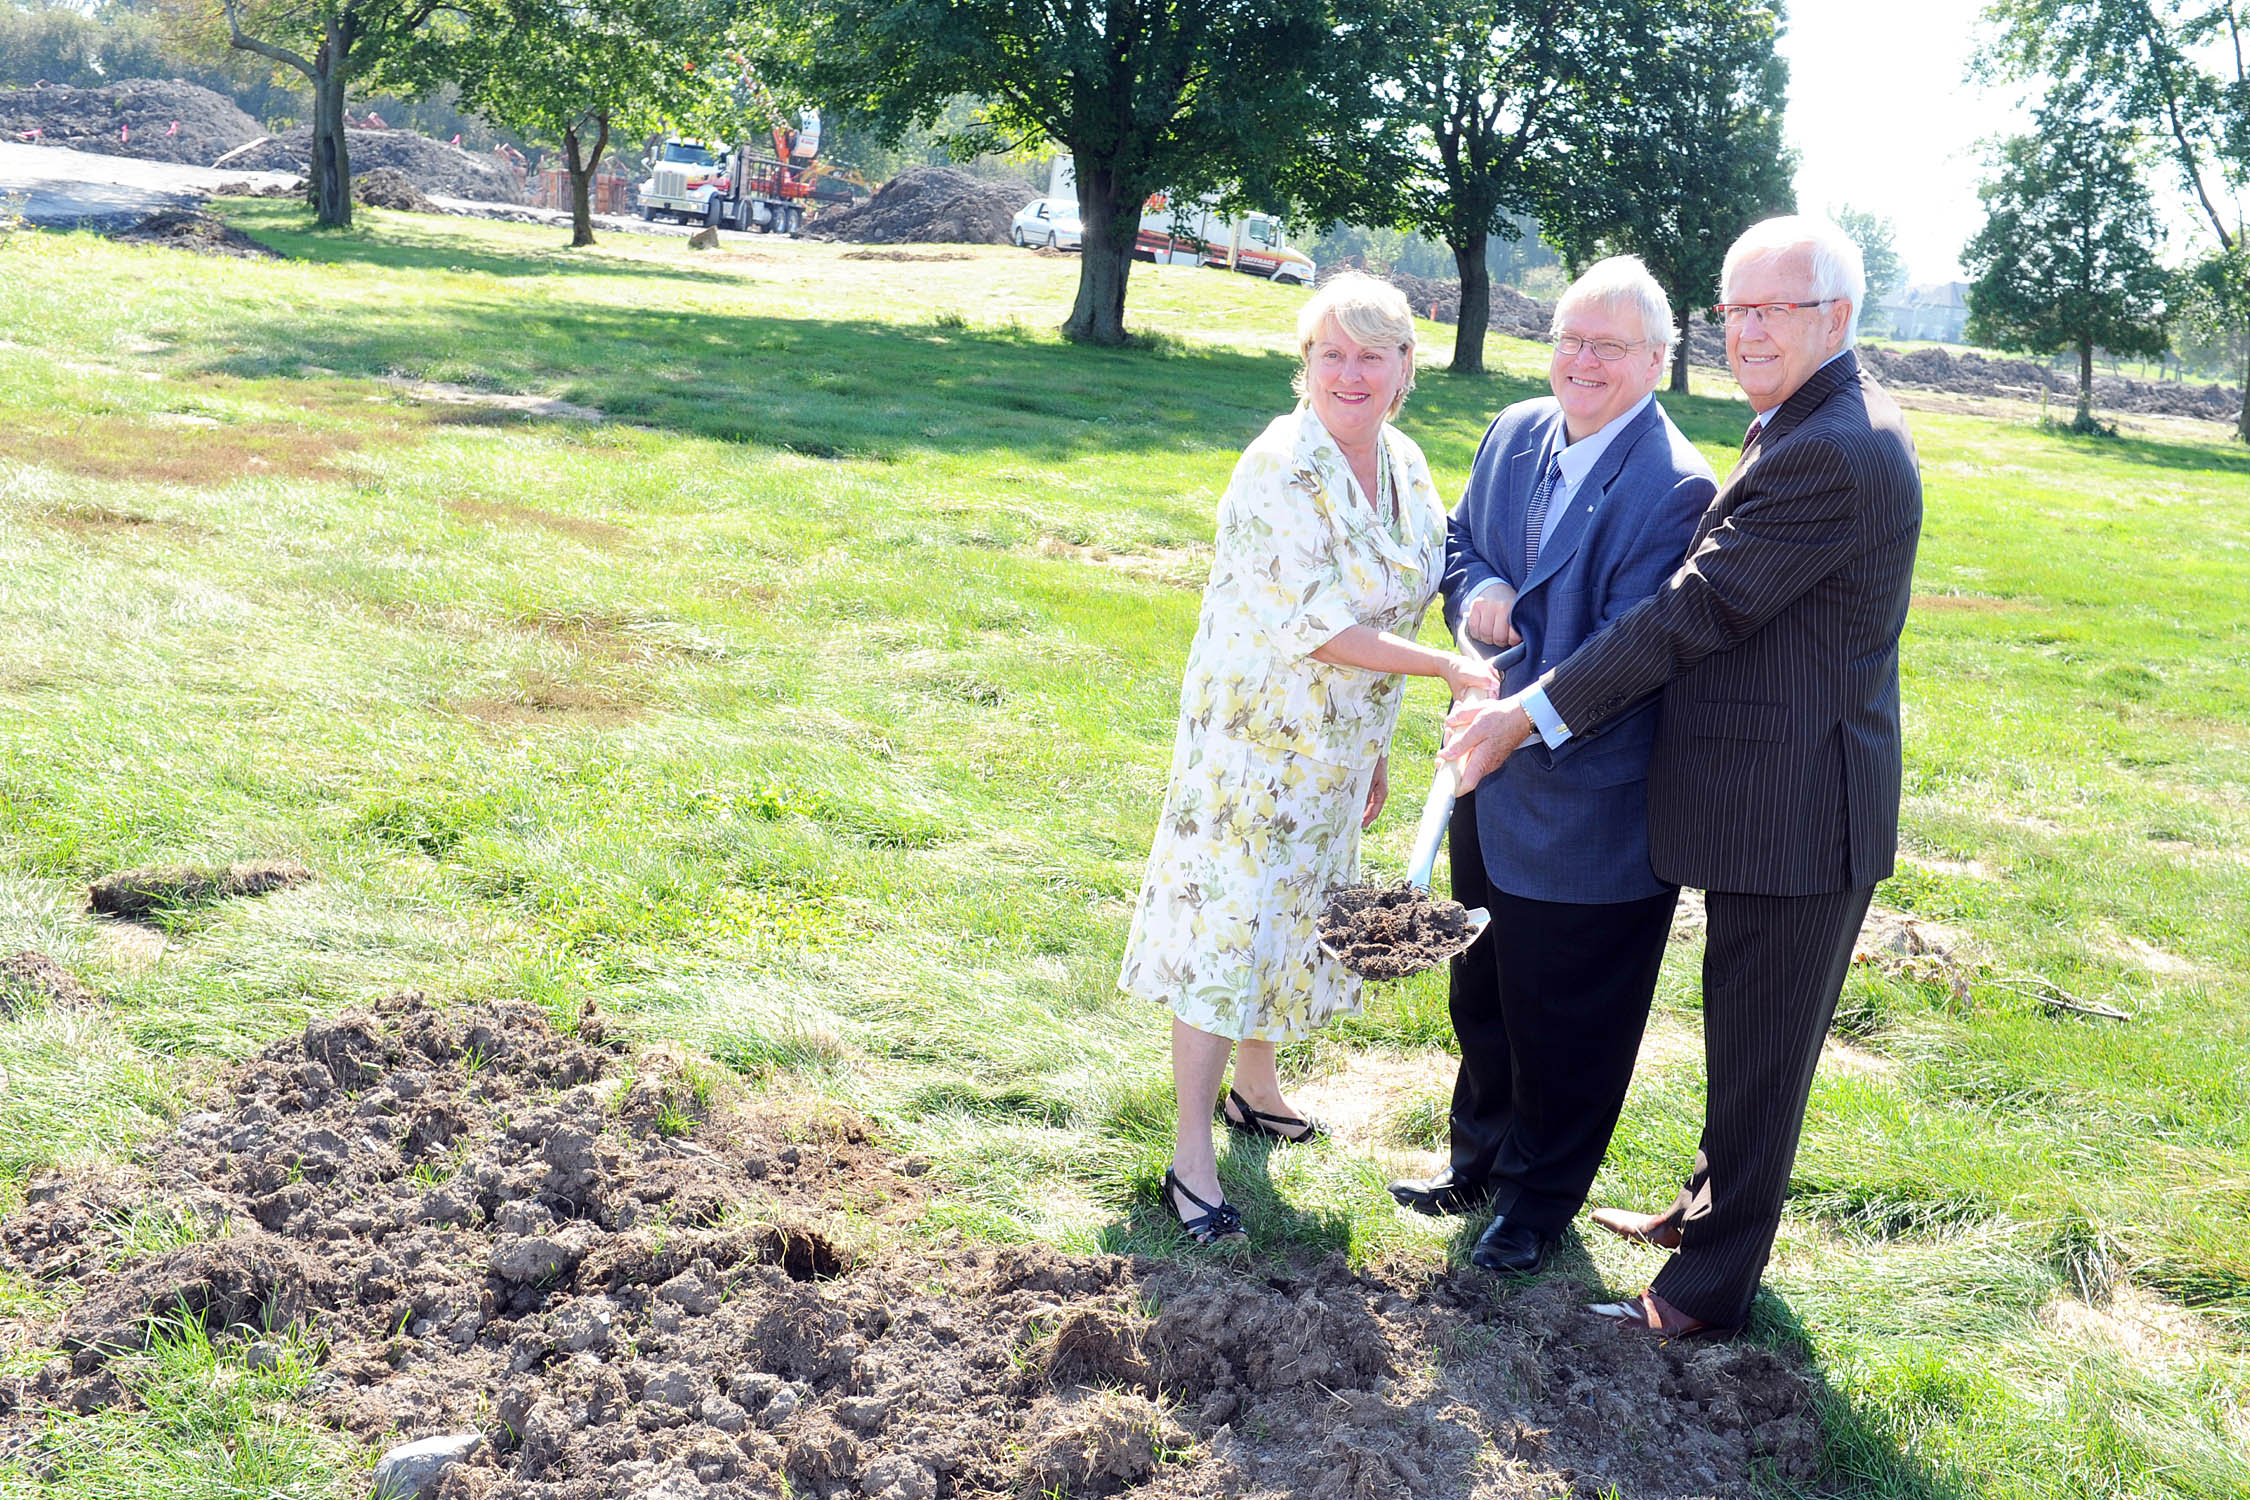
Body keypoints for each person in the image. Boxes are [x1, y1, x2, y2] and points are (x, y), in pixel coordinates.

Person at [1439, 216, 1923, 1337]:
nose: (1748, 330)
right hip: (1762, 796)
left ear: (1837, 320)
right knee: (1741, 1031)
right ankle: (1700, 1214)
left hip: (1800, 808)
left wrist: (1528, 711)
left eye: (1775, 310)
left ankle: (1704, 1296)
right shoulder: (1801, 420)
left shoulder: (1833, 448)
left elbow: (1696, 611)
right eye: (1735, 308)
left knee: (1762, 1059)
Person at [1120, 273, 1498, 1244]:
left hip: (1332, 751)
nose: (1351, 372)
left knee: (1290, 921)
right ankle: (1190, 1160)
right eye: (1331, 353)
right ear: (1305, 364)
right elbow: (1319, 626)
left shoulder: (1408, 464)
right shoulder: (1278, 466)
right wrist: (1446, 669)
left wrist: (1373, 746)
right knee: (1227, 933)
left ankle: (1258, 1088)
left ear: (1408, 367)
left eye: (1373, 354)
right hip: (1254, 745)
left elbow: (1411, 587)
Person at [1385, 258, 1714, 1276]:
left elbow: (1628, 646)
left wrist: (1521, 717)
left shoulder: (1675, 484)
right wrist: (1477, 588)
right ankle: (1478, 1164)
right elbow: (1463, 543)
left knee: (1566, 1014)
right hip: (1486, 777)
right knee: (1483, 985)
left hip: (1588, 802)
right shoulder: (1515, 430)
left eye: (1609, 345)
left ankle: (1538, 1204)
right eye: (1571, 337)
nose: (1583, 360)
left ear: (1656, 361)